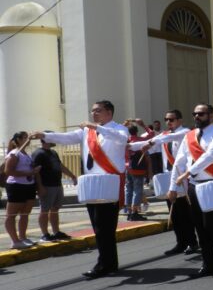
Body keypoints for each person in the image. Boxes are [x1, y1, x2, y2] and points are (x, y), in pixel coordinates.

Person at [32, 101, 129, 278]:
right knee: (98, 226)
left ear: (109, 112)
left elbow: (121, 140)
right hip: (92, 184)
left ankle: (105, 264)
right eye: (92, 111)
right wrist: (45, 135)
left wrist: (95, 127)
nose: (94, 114)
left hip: (108, 184)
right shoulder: (87, 131)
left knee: (106, 227)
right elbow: (66, 137)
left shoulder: (118, 129)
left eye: (98, 111)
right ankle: (109, 263)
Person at [168, 103, 213, 278]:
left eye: (201, 114)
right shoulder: (189, 136)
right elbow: (179, 161)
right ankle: (209, 264)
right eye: (195, 114)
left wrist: (188, 172)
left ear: (211, 115)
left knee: (212, 225)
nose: (197, 117)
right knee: (199, 226)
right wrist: (172, 187)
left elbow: (210, 156)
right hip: (193, 186)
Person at [135, 109, 199, 256]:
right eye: (166, 119)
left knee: (185, 214)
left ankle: (192, 242)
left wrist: (152, 141)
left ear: (179, 120)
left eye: (172, 119)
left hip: (182, 178)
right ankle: (180, 243)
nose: (168, 122)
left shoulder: (185, 132)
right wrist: (129, 146)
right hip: (169, 179)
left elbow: (163, 140)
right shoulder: (164, 136)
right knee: (175, 214)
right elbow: (146, 143)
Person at [32, 135, 77, 242]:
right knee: (44, 210)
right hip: (47, 185)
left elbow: (60, 166)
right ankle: (45, 234)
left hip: (57, 184)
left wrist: (72, 175)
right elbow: (35, 171)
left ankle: (56, 231)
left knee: (55, 209)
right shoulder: (38, 153)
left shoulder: (53, 153)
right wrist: (40, 187)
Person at [4, 132, 40, 249]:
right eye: (25, 137)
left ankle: (23, 237)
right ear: (18, 140)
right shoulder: (14, 153)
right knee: (11, 215)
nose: (28, 139)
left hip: (28, 185)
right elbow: (8, 171)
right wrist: (29, 173)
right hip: (16, 186)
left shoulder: (26, 154)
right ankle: (15, 240)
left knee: (25, 214)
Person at [125, 124, 149, 221]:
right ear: (137, 131)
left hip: (128, 168)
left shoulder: (126, 141)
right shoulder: (141, 141)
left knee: (129, 190)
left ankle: (129, 212)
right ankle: (135, 212)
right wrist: (143, 124)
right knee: (137, 190)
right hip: (138, 169)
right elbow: (151, 134)